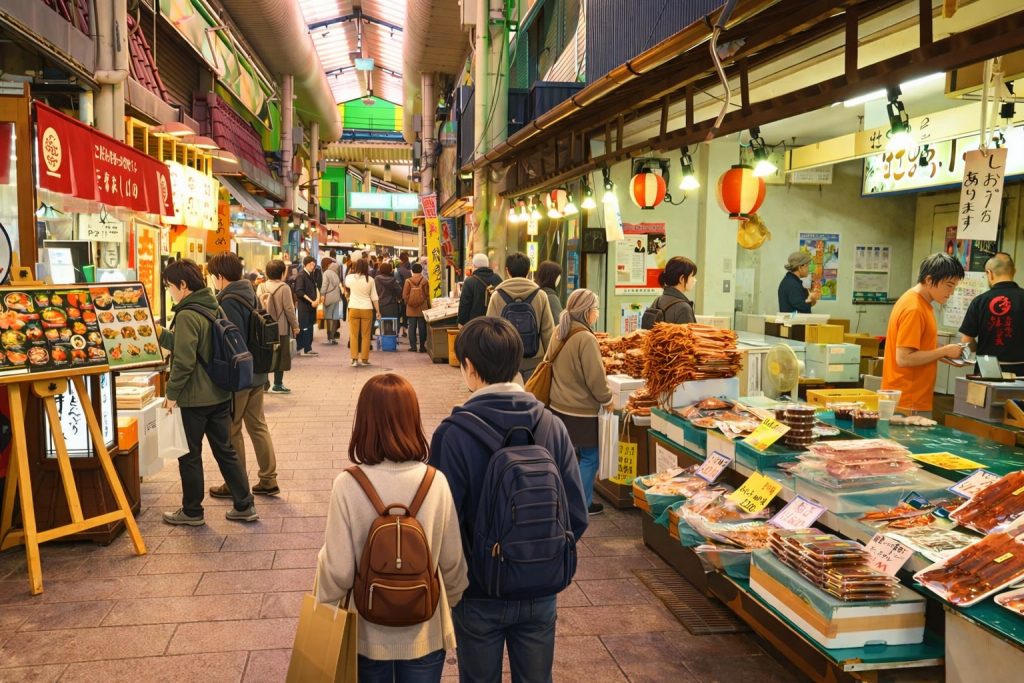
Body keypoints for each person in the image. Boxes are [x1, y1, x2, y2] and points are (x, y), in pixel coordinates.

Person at [429, 317, 588, 683]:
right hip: (540, 588)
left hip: (478, 593)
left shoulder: (453, 435)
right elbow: (576, 514)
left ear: (469, 367)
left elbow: (441, 523)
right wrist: (540, 558)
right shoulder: (552, 426)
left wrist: (462, 580)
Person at [316, 373, 468, 683]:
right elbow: (452, 562)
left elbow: (339, 571)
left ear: (364, 422)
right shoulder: (435, 481)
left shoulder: (347, 485)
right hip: (425, 631)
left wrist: (324, 607)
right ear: (413, 419)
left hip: (367, 636)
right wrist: (450, 602)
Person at [157, 259, 257, 525]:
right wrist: (161, 334)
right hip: (220, 393)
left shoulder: (188, 314)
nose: (169, 292)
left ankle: (192, 511)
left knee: (189, 456)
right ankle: (245, 504)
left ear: (183, 285)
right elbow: (197, 347)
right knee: (225, 450)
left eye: (169, 287)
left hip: (194, 399)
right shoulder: (214, 305)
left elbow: (184, 361)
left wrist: (171, 394)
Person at [206, 253, 279, 498]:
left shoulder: (227, 300)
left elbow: (231, 342)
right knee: (258, 425)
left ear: (220, 276)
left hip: (240, 377)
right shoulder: (250, 292)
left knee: (232, 430)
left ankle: (235, 483)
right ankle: (268, 479)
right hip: (257, 371)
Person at [548, 289, 614, 516]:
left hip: (557, 405)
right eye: (595, 309)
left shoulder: (560, 331)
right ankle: (582, 503)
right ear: (587, 312)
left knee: (568, 455)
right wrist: (608, 399)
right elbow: (595, 377)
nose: (596, 313)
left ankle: (564, 498)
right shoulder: (585, 338)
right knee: (590, 457)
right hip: (581, 410)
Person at [882, 253, 966, 415]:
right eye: (949, 285)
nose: (952, 292)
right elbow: (904, 358)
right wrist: (944, 351)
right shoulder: (914, 308)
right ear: (929, 280)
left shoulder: (918, 303)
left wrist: (945, 355)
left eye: (954, 286)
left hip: (910, 398)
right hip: (909, 399)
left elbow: (919, 347)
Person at [485, 252, 555, 382]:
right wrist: (548, 361)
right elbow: (548, 332)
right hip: (534, 360)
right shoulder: (541, 295)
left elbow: (490, 331)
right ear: (528, 271)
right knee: (532, 399)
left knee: (508, 400)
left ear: (507, 270)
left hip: (505, 360)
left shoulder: (497, 295)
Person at [960, 252, 1024, 374]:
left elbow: (966, 341)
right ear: (1014, 271)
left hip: (986, 371)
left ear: (989, 273)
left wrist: (982, 346)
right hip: (1021, 372)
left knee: (986, 394)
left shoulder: (979, 301)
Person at [258, 259, 299, 394]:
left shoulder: (261, 287)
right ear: (282, 273)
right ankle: (278, 384)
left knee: (265, 354)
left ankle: (264, 383)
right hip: (280, 327)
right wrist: (295, 325)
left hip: (264, 327)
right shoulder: (284, 287)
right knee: (281, 355)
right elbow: (289, 309)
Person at [345, 258, 381, 367]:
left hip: (353, 308)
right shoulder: (370, 280)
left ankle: (354, 359)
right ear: (366, 267)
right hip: (367, 309)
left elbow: (346, 286)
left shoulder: (350, 278)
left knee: (353, 335)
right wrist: (378, 311)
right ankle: (364, 359)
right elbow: (374, 297)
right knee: (366, 335)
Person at [646, 256, 698, 324]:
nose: (695, 280)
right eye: (692, 276)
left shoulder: (658, 300)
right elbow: (687, 334)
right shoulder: (684, 308)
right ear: (682, 279)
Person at [458, 254, 502, 326]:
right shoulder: (498, 279)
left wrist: (461, 323)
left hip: (475, 326)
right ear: (487, 265)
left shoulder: (469, 281)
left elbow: (465, 305)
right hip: (494, 325)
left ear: (474, 266)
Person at [294, 256, 320, 356]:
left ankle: (308, 348)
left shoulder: (311, 275)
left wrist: (317, 299)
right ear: (306, 264)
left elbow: (315, 287)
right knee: (304, 327)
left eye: (314, 265)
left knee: (310, 327)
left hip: (311, 307)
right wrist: (311, 301)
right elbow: (299, 291)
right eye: (311, 264)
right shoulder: (301, 275)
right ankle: (303, 349)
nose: (313, 267)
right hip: (304, 307)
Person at [403, 262, 431, 353]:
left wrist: (409, 302)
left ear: (412, 270)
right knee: (422, 327)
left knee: (412, 327)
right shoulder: (425, 281)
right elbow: (427, 295)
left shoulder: (408, 281)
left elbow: (404, 295)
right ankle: (422, 346)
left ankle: (413, 346)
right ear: (421, 270)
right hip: (422, 307)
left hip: (411, 308)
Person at [374, 261, 403, 331]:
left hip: (381, 304)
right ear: (390, 270)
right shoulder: (393, 280)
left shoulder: (377, 279)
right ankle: (392, 339)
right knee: (393, 325)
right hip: (392, 305)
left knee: (383, 325)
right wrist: (398, 298)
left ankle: (384, 340)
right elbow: (399, 291)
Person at [321, 258, 343, 345]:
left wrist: (322, 294)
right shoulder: (335, 273)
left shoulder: (326, 273)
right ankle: (333, 337)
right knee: (335, 318)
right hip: (336, 297)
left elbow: (324, 285)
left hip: (328, 297)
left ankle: (329, 337)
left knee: (328, 318)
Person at [397, 253, 413, 337]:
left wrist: (399, 296)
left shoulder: (400, 270)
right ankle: (405, 329)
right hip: (409, 295)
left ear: (401, 259)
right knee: (406, 314)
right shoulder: (410, 269)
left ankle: (402, 329)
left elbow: (398, 285)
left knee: (401, 313)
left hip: (401, 295)